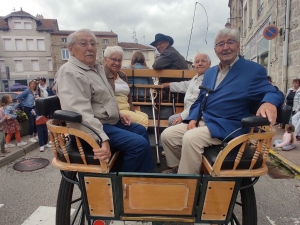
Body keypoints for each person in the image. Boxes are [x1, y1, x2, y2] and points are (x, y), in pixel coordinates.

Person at [161, 28, 284, 174]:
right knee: (167, 135)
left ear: (238, 46)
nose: (225, 47)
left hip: (229, 126)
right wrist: (193, 117)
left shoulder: (252, 70)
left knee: (190, 138)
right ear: (215, 50)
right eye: (220, 44)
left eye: (230, 42)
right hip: (204, 121)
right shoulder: (211, 72)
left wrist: (269, 102)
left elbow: (273, 91)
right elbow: (201, 98)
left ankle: (187, 185)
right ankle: (177, 168)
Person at [54, 29, 154, 172]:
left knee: (140, 130)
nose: (90, 48)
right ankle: (121, 186)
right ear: (70, 49)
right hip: (90, 128)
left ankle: (146, 177)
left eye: (93, 44)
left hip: (107, 122)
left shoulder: (95, 69)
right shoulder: (70, 73)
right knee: (139, 144)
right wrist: (103, 139)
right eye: (83, 44)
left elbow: (104, 100)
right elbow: (79, 114)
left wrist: (118, 113)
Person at [104, 46, 149, 129]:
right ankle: (137, 140)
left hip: (126, 108)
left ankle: (133, 137)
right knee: (143, 121)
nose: (117, 63)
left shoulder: (122, 75)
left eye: (119, 60)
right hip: (117, 111)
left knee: (145, 116)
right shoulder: (103, 75)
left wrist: (131, 110)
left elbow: (128, 97)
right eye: (113, 59)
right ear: (105, 59)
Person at [162, 53, 211, 126]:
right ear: (194, 65)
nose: (200, 64)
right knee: (172, 119)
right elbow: (184, 85)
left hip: (198, 114)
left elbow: (199, 103)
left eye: (203, 61)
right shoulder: (196, 78)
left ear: (209, 63)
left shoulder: (209, 79)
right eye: (197, 62)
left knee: (172, 120)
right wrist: (169, 85)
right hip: (189, 111)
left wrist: (182, 116)